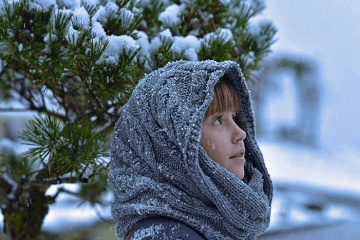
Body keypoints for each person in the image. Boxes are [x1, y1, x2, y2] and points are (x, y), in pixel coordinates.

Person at [108, 60, 273, 240]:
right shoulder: (166, 236)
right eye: (218, 120)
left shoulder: (212, 226)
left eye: (234, 117)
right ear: (172, 145)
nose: (240, 133)